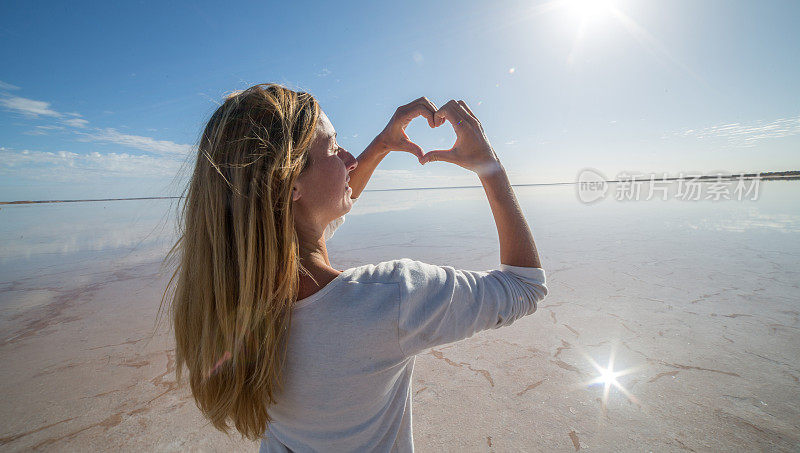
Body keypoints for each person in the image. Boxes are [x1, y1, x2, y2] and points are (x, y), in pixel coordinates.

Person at [163, 84, 547, 452]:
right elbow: (525, 285)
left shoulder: (229, 301)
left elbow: (310, 223)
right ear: (291, 184)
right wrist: (489, 167)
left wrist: (382, 144)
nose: (349, 159)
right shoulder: (390, 299)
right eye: (333, 148)